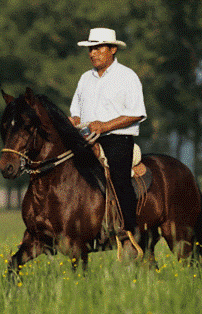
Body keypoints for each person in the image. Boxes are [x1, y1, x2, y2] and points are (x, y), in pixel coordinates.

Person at [69, 28, 147, 238]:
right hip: (85, 139)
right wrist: (74, 120)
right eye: (90, 49)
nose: (93, 53)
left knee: (119, 177)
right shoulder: (85, 78)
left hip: (117, 139)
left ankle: (130, 230)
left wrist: (104, 126)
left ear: (112, 49)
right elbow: (75, 110)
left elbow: (137, 113)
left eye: (97, 48)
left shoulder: (127, 76)